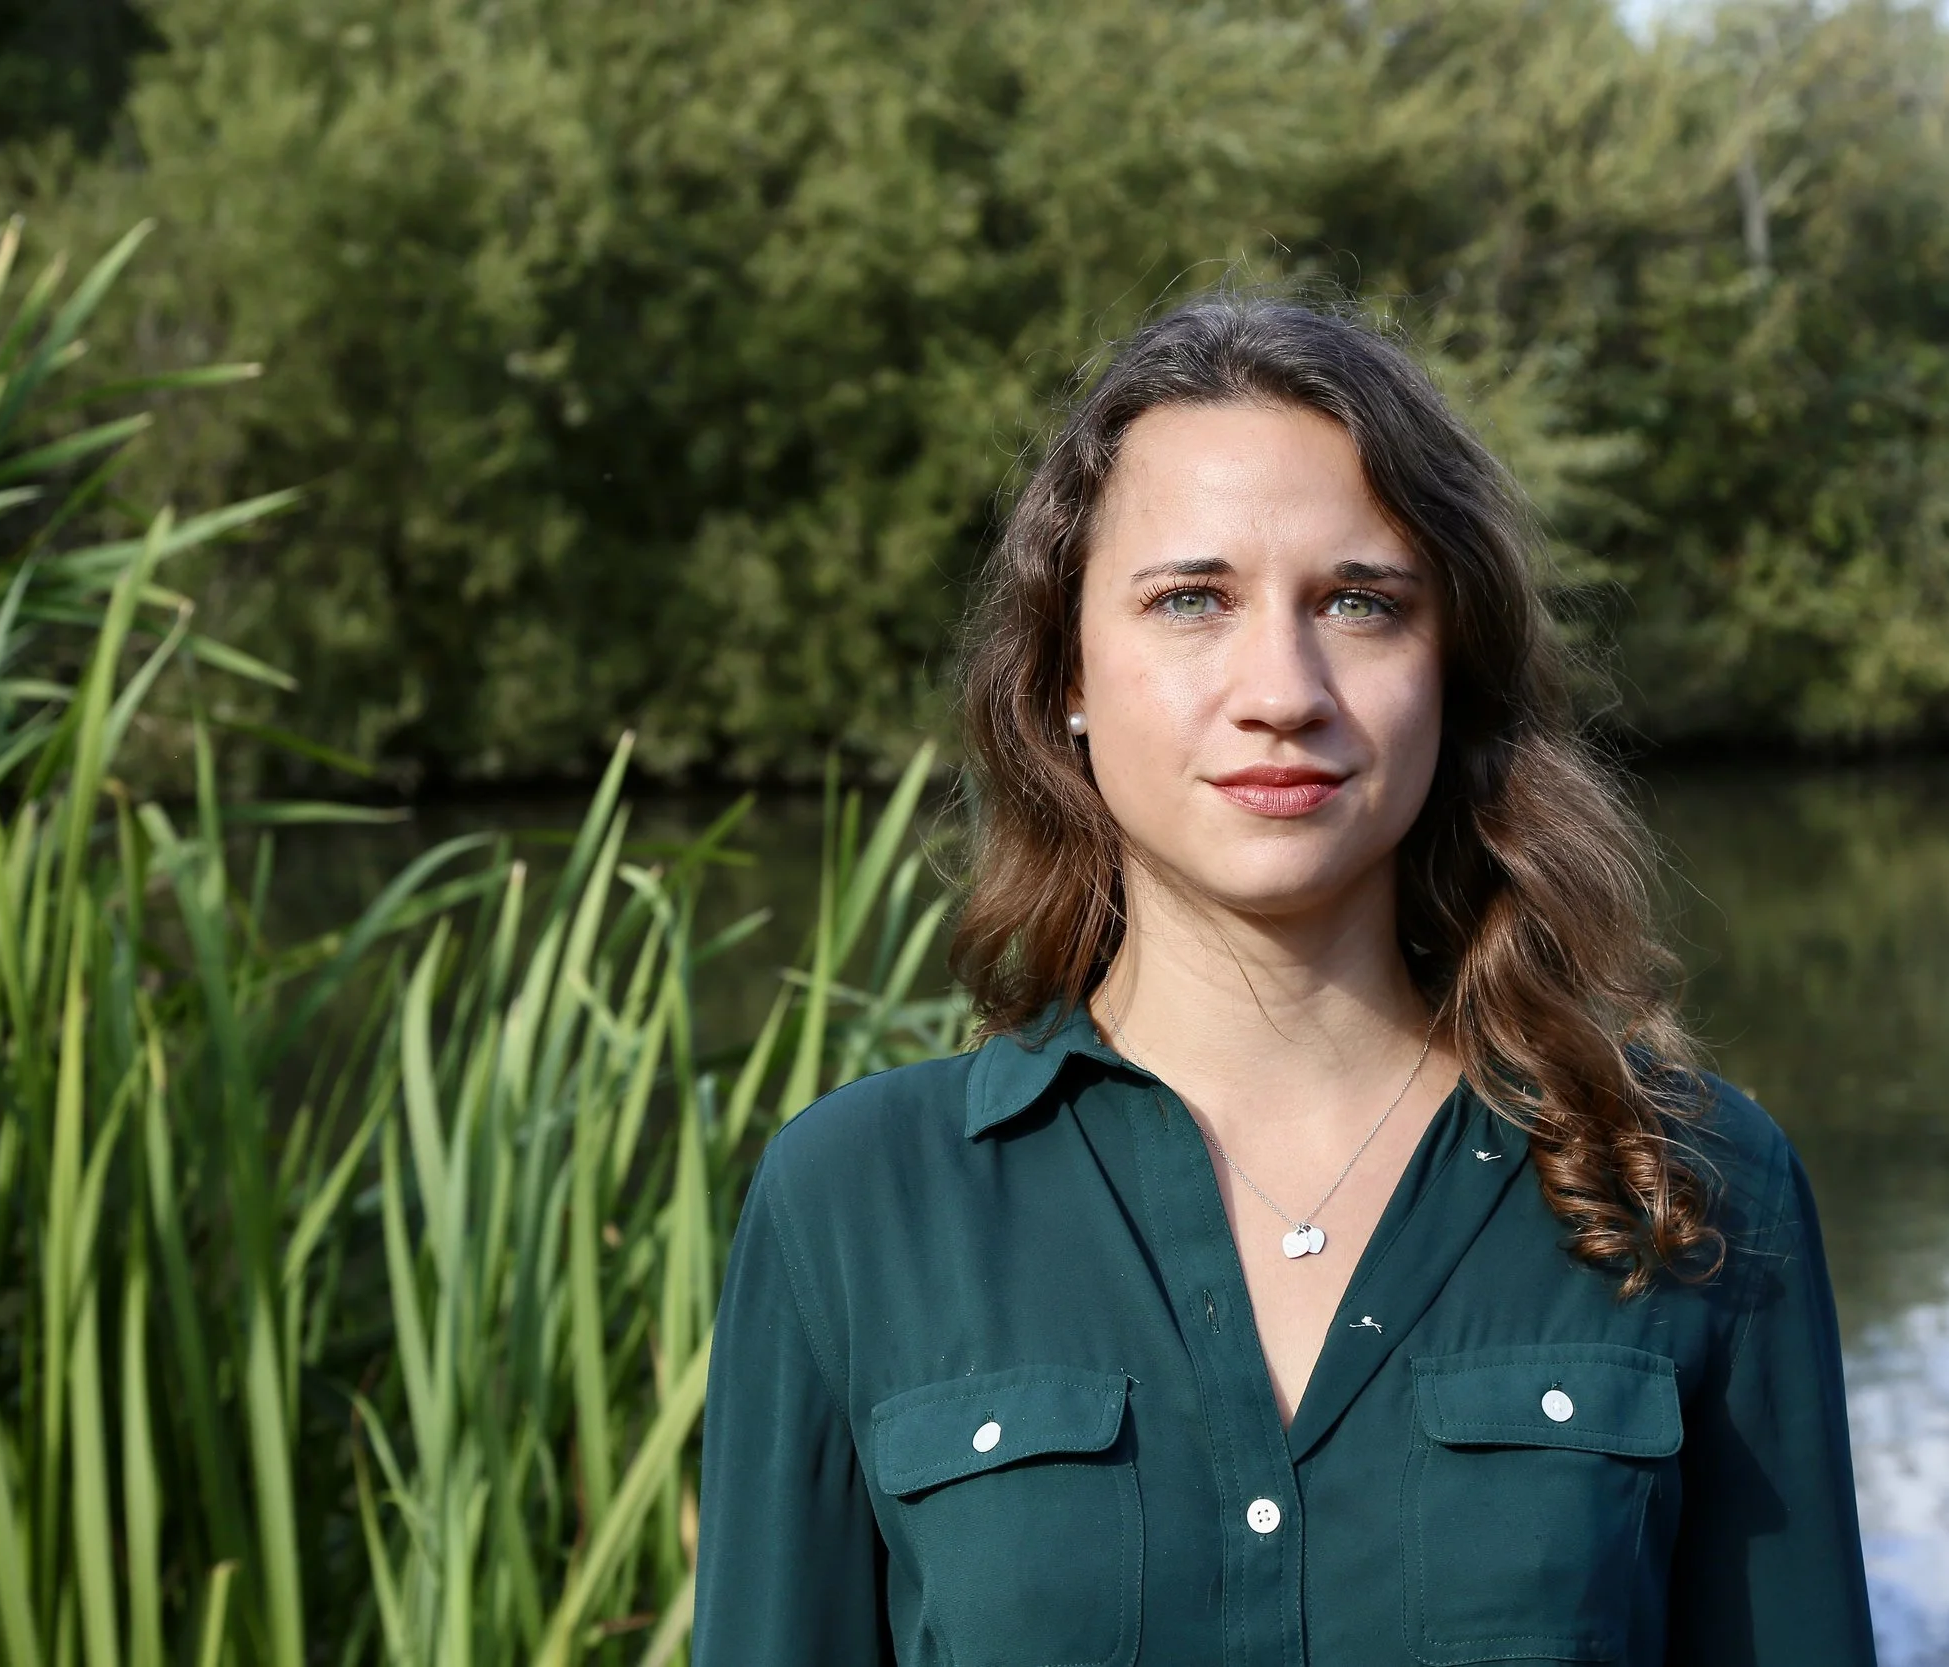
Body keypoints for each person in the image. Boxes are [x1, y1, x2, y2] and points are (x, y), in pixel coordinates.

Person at [692, 296, 1877, 1666]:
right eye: (1192, 599)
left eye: (1360, 603)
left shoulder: (1691, 1181)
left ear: (1453, 671)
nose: (1282, 688)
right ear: (1064, 673)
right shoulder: (857, 1201)